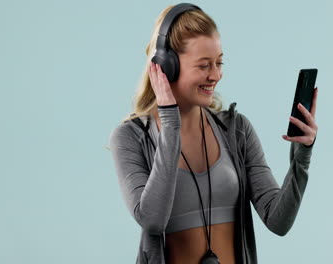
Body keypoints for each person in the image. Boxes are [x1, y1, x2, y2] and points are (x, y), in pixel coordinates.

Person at [109, 3, 318, 264]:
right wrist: (170, 122)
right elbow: (153, 219)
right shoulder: (130, 137)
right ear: (165, 66)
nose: (216, 75)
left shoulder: (236, 129)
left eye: (219, 63)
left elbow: (278, 221)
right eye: (204, 65)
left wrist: (302, 156)